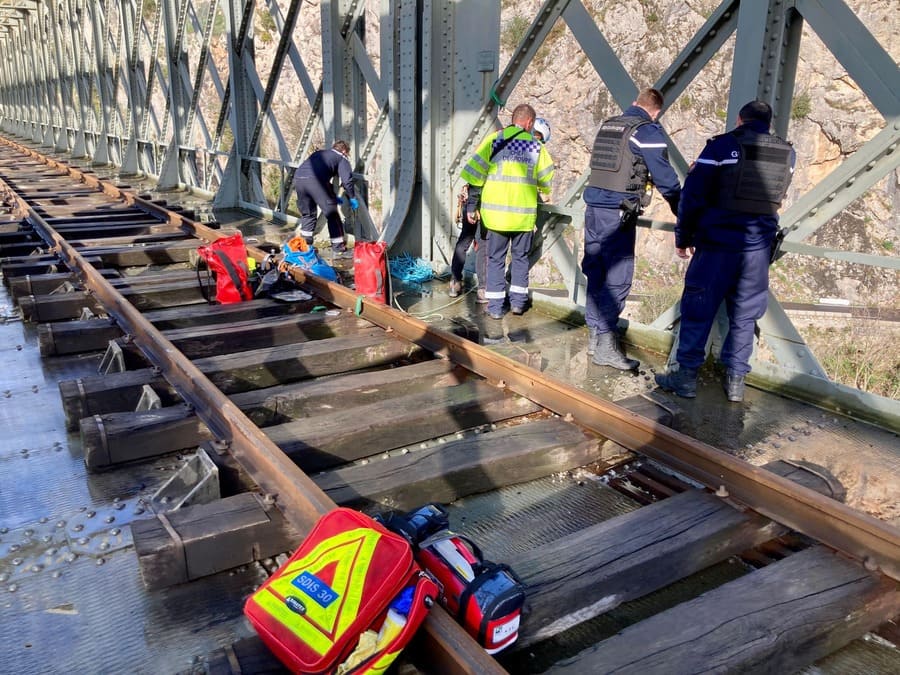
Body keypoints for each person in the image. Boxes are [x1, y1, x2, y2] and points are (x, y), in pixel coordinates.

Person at [655, 100, 795, 402]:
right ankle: (735, 385)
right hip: (757, 250)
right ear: (769, 123)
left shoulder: (721, 147)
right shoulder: (787, 153)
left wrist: (683, 236)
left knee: (698, 308)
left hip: (717, 245)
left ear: (739, 119)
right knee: (744, 315)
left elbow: (692, 195)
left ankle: (686, 378)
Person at [582, 88, 681, 370]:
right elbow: (667, 180)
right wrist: (682, 212)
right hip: (617, 214)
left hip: (593, 210)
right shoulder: (645, 131)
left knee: (596, 271)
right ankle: (605, 346)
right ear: (656, 111)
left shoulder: (609, 125)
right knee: (618, 278)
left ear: (634, 102)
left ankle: (594, 338)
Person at [460, 104, 554, 319]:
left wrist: (473, 206)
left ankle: (495, 308)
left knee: (495, 260)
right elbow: (546, 178)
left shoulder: (494, 140)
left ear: (515, 119)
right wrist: (542, 189)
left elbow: (475, 175)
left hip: (496, 218)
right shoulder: (536, 146)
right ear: (530, 123)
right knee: (520, 258)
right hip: (523, 217)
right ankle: (518, 304)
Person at [294, 140, 359, 255]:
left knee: (308, 214)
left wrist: (332, 196)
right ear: (344, 151)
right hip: (316, 182)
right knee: (332, 214)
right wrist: (352, 197)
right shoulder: (341, 158)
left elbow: (318, 173)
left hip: (299, 179)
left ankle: (306, 245)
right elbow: (347, 181)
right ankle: (338, 247)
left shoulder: (319, 153)